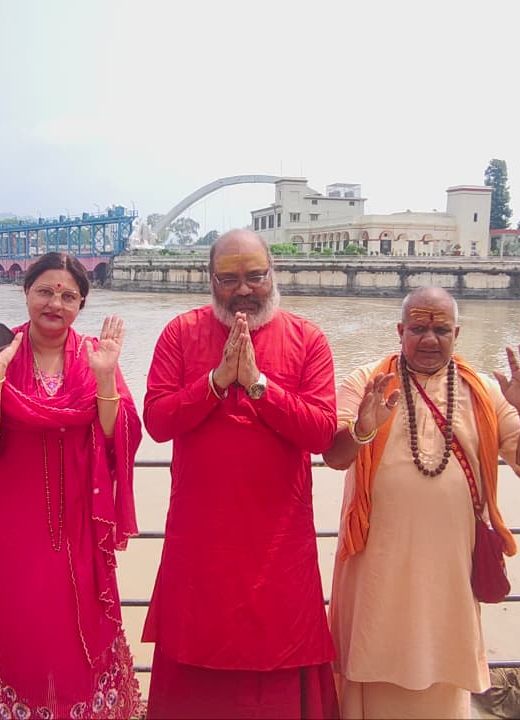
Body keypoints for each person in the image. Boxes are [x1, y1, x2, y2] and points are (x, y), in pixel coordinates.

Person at [323, 285, 520, 719]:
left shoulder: (486, 392)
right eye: (418, 329)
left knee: (442, 673)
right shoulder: (368, 382)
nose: (429, 339)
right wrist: (362, 429)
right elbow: (335, 457)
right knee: (369, 663)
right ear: (400, 331)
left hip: (449, 572)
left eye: (441, 330)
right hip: (375, 568)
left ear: (457, 334)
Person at [142, 229, 340, 719]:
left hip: (278, 543)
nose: (243, 290)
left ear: (274, 273)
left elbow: (320, 432)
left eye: (255, 276)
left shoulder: (308, 339)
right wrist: (214, 383)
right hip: (201, 541)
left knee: (278, 655)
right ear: (210, 280)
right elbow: (158, 422)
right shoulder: (180, 333)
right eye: (228, 279)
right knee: (194, 660)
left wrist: (258, 386)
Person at [0, 252, 143, 719]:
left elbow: (120, 438)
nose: (55, 304)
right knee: (20, 629)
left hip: (80, 524)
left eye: (68, 296)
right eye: (45, 291)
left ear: (81, 304)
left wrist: (105, 379)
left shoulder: (95, 356)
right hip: (13, 527)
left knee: (77, 635)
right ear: (25, 292)